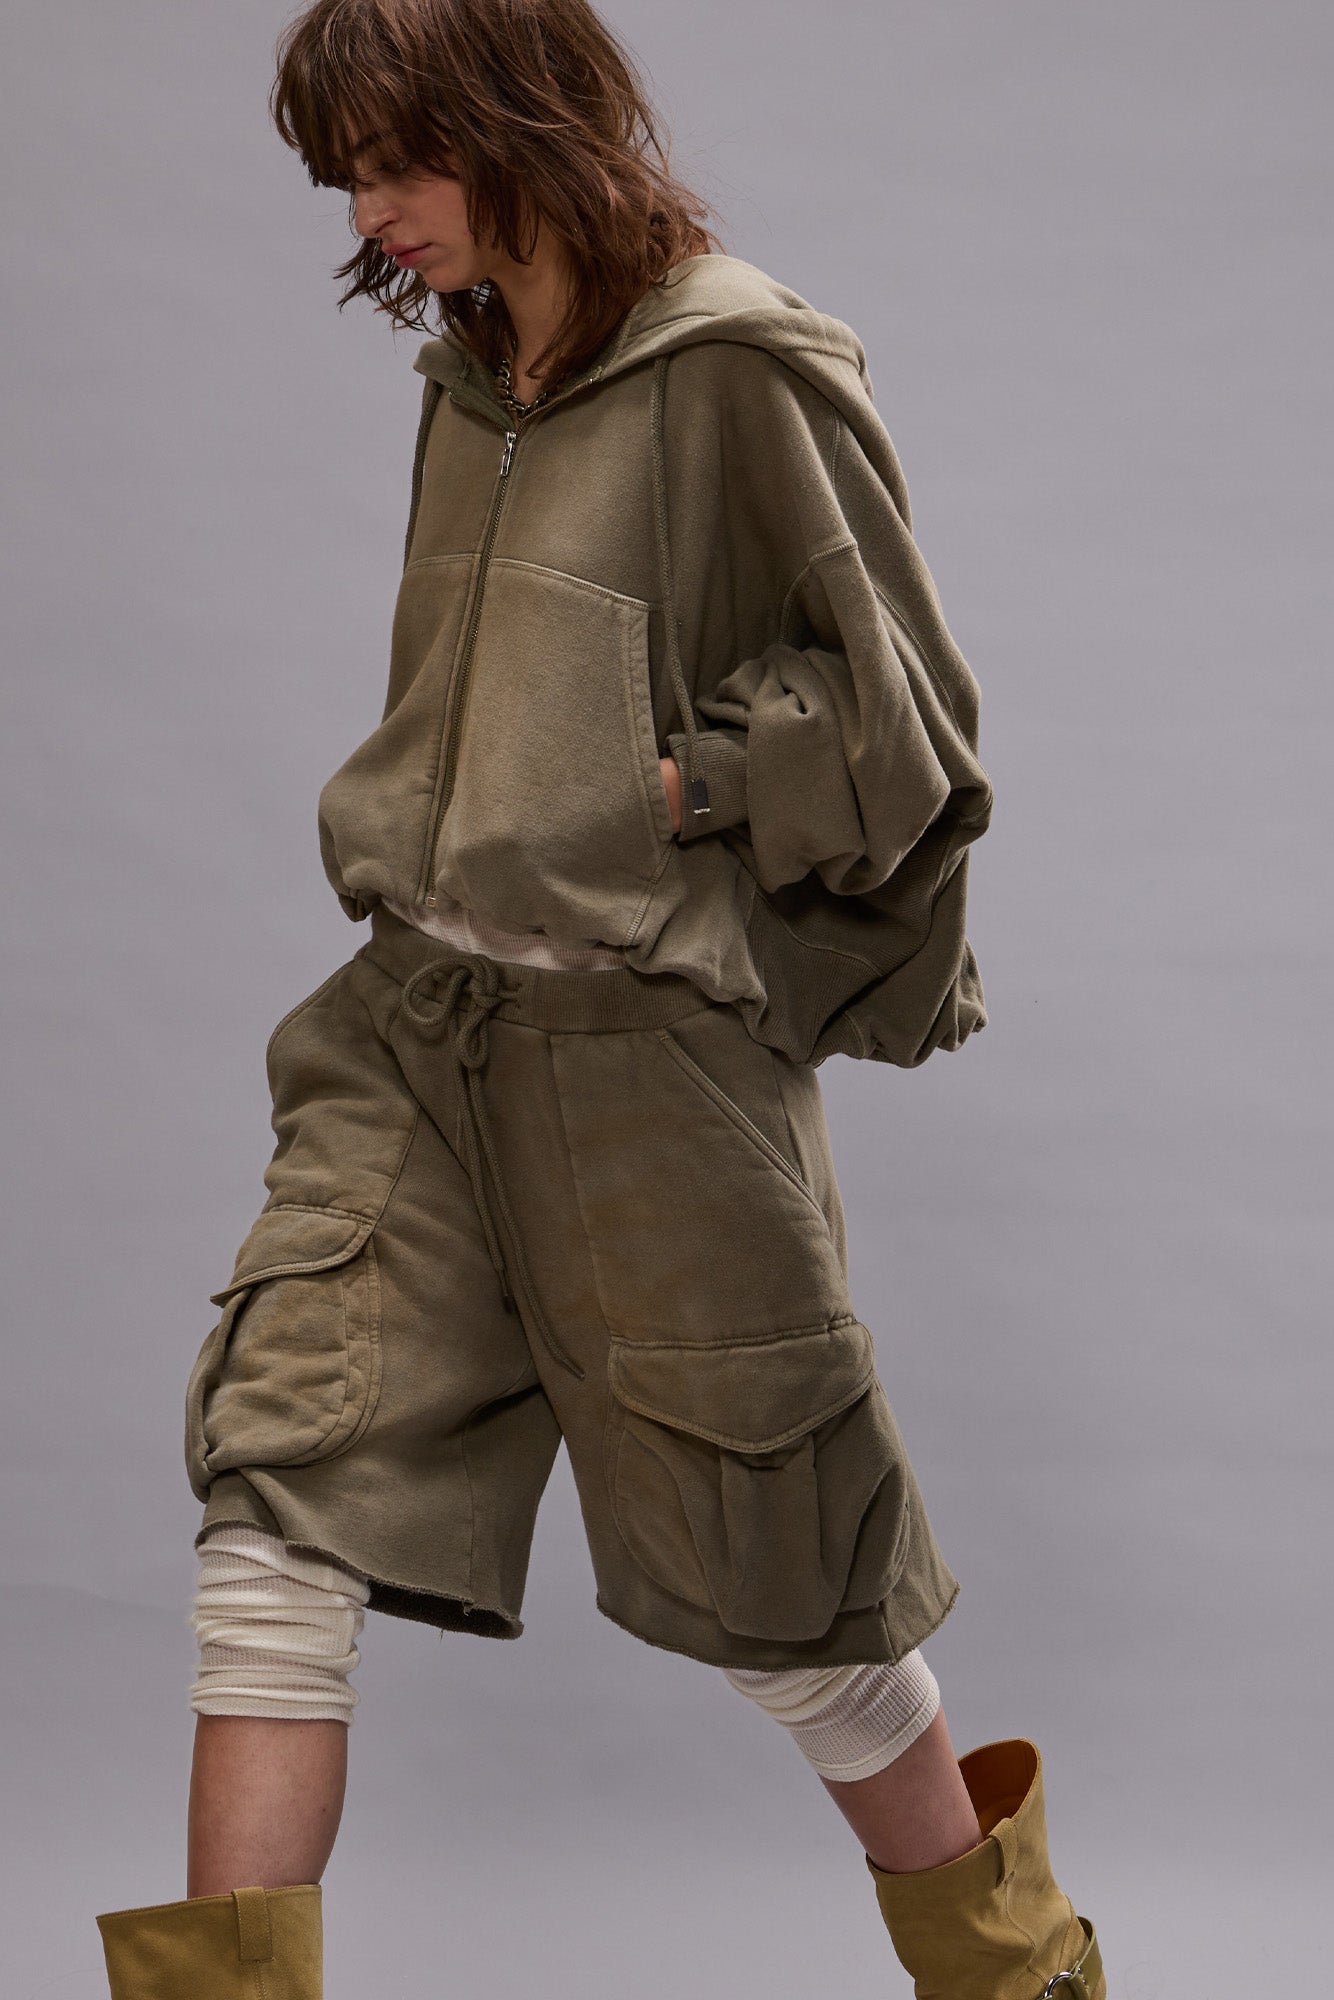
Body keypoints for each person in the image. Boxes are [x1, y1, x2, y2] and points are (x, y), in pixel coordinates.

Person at [95, 3, 1105, 1996]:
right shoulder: (469, 378)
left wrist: (673, 788)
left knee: (796, 1608)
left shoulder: (737, 364)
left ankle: (1024, 1978)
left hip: (650, 1074)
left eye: (400, 164)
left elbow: (905, 726)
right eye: (347, 179)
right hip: (410, 1034)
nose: (371, 216)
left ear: (521, 119)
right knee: (273, 1524)